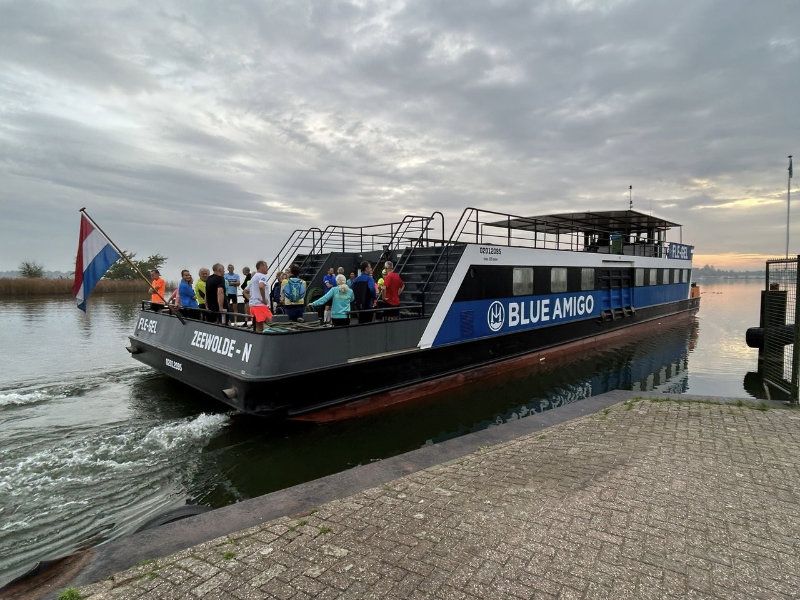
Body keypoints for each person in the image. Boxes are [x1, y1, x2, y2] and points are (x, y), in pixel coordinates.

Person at [248, 260, 273, 332]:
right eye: (266, 266)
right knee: (273, 324)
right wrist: (264, 299)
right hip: (260, 306)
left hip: (253, 306)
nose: (267, 268)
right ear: (261, 266)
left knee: (259, 327)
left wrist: (252, 299)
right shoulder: (262, 276)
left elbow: (245, 291)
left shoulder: (253, 278)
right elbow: (261, 286)